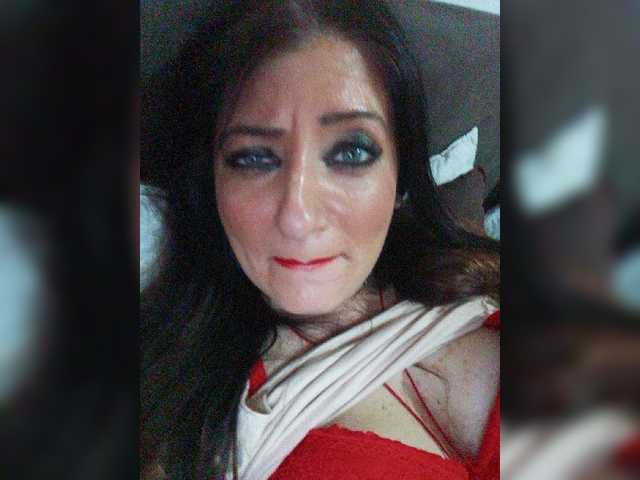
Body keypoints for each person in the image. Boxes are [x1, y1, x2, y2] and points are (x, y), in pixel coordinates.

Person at [140, 1, 500, 478]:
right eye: (253, 158)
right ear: (211, 183)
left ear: (400, 176)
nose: (298, 216)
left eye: (351, 152)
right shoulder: (167, 398)